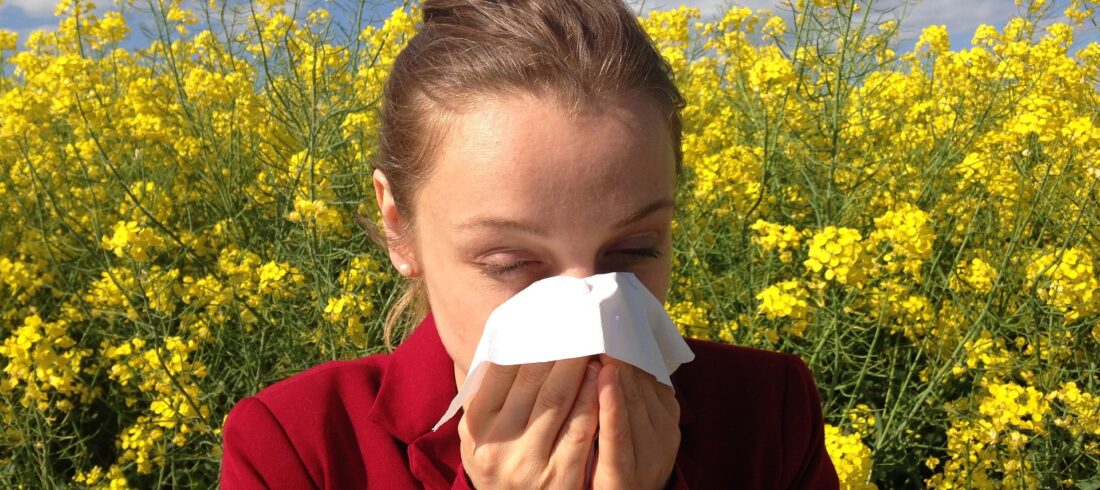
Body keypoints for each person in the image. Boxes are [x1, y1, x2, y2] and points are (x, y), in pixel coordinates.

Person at [220, 0, 840, 488]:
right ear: (399, 228)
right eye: (510, 262)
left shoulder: (767, 413)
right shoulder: (298, 449)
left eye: (634, 250)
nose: (588, 320)